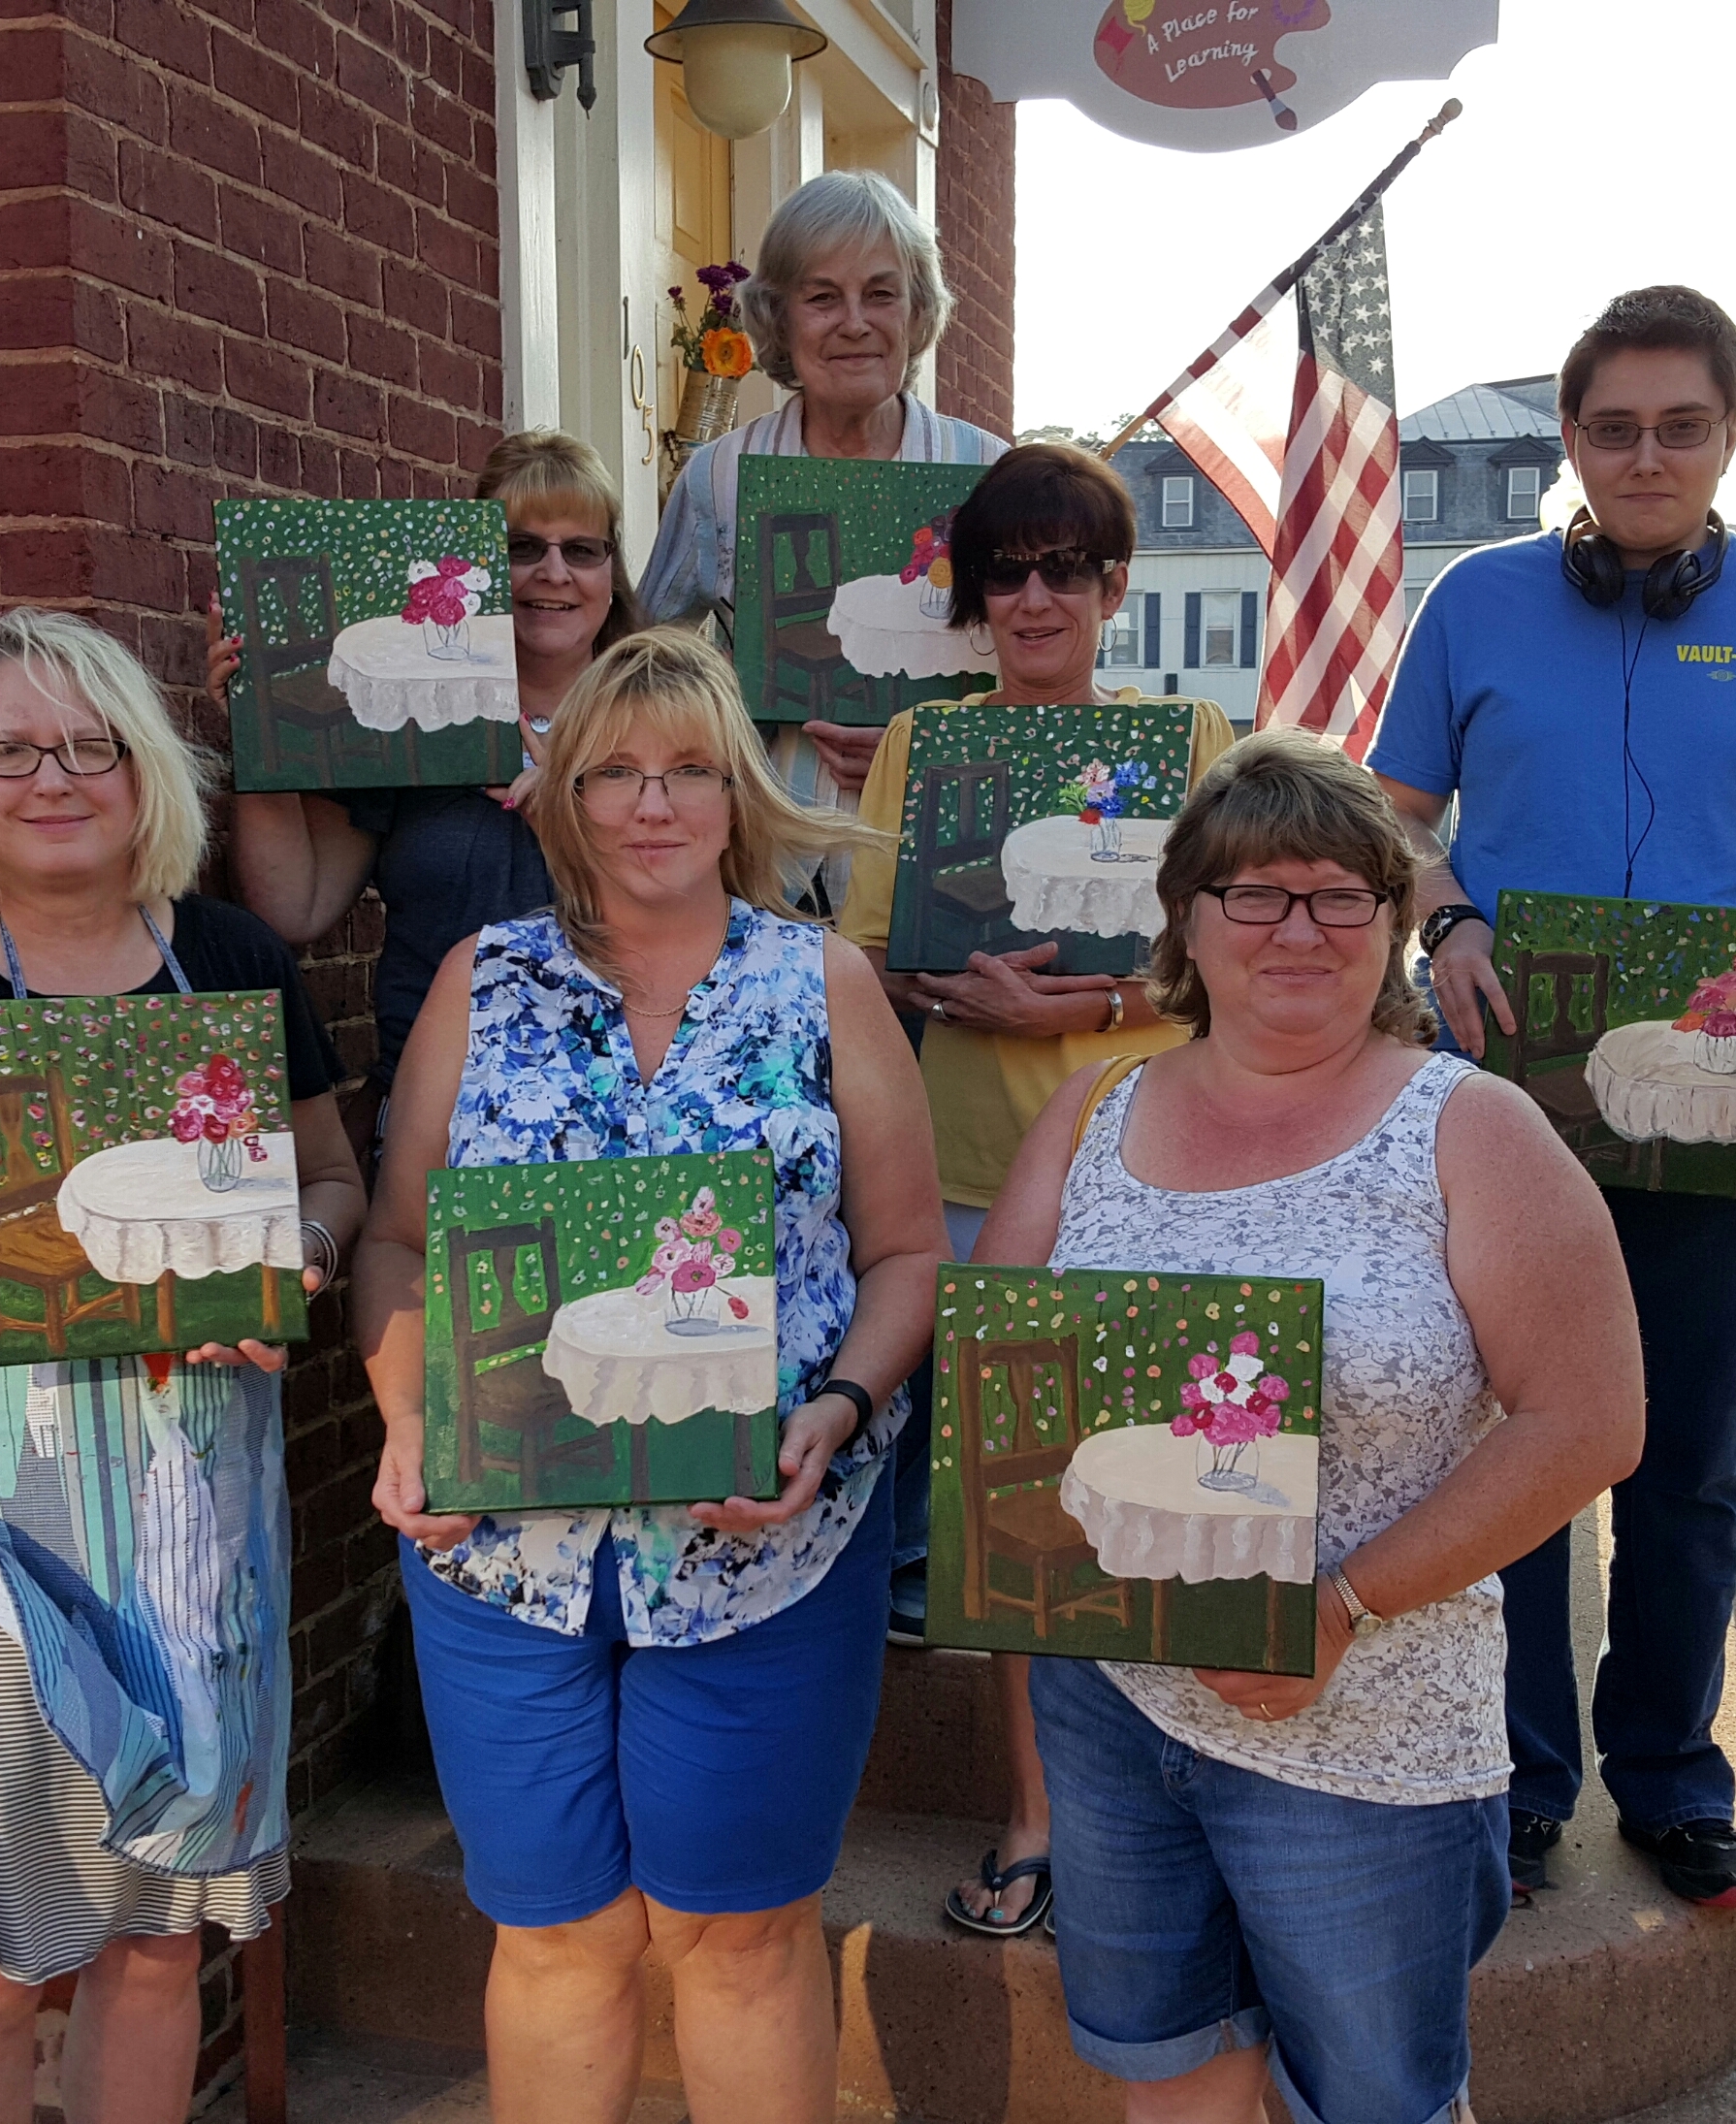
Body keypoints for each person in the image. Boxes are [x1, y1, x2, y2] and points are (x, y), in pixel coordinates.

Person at [0, 611, 366, 2124]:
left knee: (156, 1943)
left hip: (192, 1510)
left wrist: (294, 1261)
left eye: (91, 745)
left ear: (142, 766)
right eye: (9, 750)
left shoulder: (227, 959)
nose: (54, 777)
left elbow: (333, 1181)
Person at [986, 731, 1643, 2124]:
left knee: (1375, 2104)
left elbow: (1588, 1423)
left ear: (1391, 918)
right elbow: (1006, 1371)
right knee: (1168, 2075)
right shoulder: (1093, 1113)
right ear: (1185, 918)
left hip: (1367, 1733)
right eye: (1254, 892)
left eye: (1341, 893)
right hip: (1112, 1707)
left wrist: (1340, 1604)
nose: (1298, 928)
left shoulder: (1472, 1130)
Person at [353, 628, 947, 2124]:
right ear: (562, 799)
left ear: (737, 789)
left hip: (766, 1542)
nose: (652, 801)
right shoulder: (483, 980)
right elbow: (399, 1237)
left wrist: (836, 1410)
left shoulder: (822, 982)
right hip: (501, 1549)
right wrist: (409, 1418)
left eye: (688, 768)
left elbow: (903, 1254)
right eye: (612, 771)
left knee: (736, 1935)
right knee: (555, 1933)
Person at [1366, 285, 1736, 1909]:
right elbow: (1391, 811)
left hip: (1727, 1099)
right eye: (1611, 429)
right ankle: (1514, 1778)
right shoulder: (1475, 598)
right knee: (1506, 1447)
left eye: (1678, 427)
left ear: (1723, 434)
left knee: (1687, 1462)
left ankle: (1665, 1778)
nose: (1643, 456)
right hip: (1503, 1097)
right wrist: (1445, 921)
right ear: (1569, 442)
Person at [834, 439, 1236, 1935]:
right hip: (957, 1168)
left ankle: (1192, 1807)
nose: (1033, 596)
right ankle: (1035, 1814)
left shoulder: (1191, 737)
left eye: (1066, 567)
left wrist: (1093, 1004)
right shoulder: (921, 744)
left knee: (1158, 1481)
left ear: (1113, 587)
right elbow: (861, 950)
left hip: (1148, 1160)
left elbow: (1234, 950)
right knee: (1012, 1503)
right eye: (1004, 572)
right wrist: (951, 985)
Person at [217, 429, 646, 1133]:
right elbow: (296, 908)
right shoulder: (407, 714)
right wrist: (259, 732)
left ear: (611, 571)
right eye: (521, 548)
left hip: (622, 1099)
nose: (553, 572)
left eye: (581, 549)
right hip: (436, 1104)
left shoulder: (664, 715)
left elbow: (719, 910)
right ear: (474, 568)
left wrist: (569, 823)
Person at [638, 168, 1007, 813]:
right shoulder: (718, 475)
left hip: (934, 839)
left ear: (918, 311)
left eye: (881, 294)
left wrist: (925, 746)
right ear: (778, 318)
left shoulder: (989, 476)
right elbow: (643, 655)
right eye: (822, 298)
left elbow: (1041, 674)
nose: (854, 323)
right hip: (763, 840)